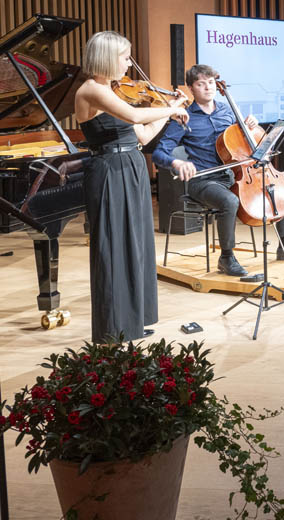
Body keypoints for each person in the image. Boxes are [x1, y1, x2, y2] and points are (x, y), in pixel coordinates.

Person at [74, 31, 188, 343]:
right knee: (114, 246)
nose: (128, 64)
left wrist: (171, 109)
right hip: (109, 171)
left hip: (131, 167)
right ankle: (114, 328)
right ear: (107, 58)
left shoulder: (114, 91)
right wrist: (172, 109)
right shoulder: (91, 90)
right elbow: (136, 115)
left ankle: (134, 320)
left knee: (137, 244)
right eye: (125, 57)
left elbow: (144, 134)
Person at [152, 64, 284, 278]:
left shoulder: (227, 110)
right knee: (230, 201)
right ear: (191, 88)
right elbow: (159, 153)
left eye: (211, 82)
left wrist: (250, 125)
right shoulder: (184, 118)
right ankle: (226, 258)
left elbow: (244, 144)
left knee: (276, 187)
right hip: (203, 180)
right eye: (201, 84)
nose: (208, 87)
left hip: (233, 175)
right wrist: (176, 163)